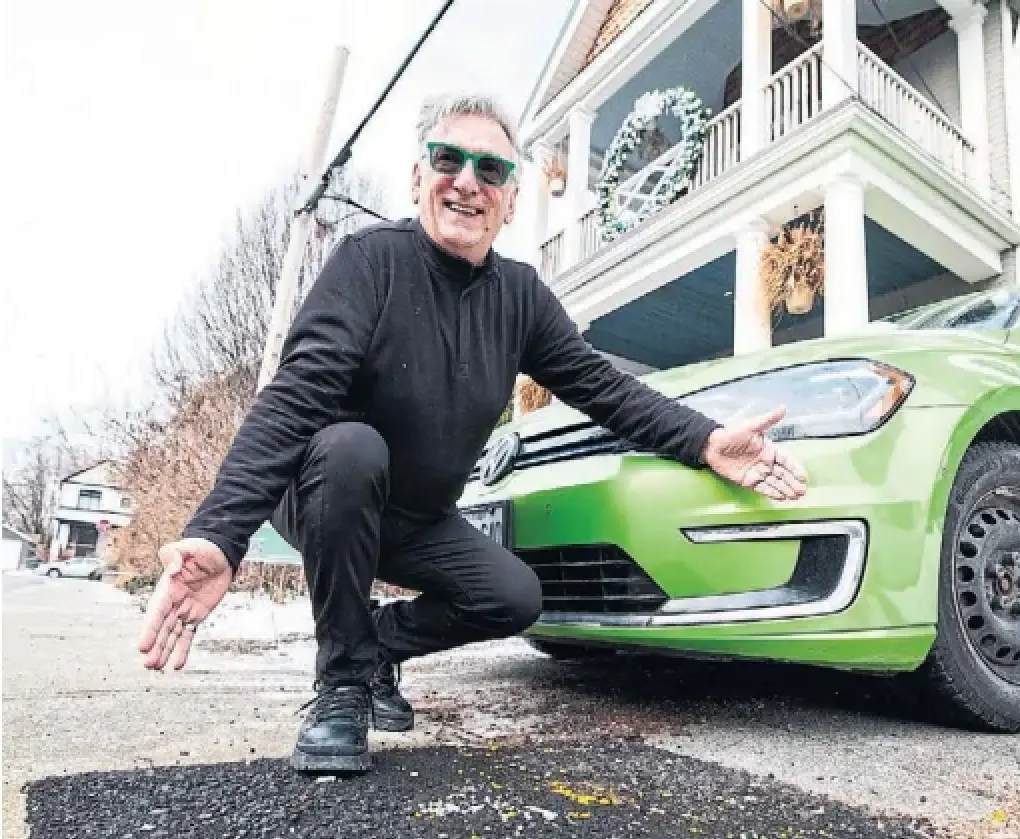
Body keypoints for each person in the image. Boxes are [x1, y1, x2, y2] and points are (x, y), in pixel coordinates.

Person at [138, 94, 808, 773]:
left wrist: (705, 441)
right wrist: (220, 533)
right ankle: (341, 684)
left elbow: (603, 388)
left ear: (509, 200)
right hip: (327, 491)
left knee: (514, 597)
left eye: (490, 169)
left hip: (420, 519)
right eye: (448, 160)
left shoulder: (521, 296)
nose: (466, 181)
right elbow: (294, 397)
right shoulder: (368, 261)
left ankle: (371, 644)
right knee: (351, 448)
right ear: (418, 178)